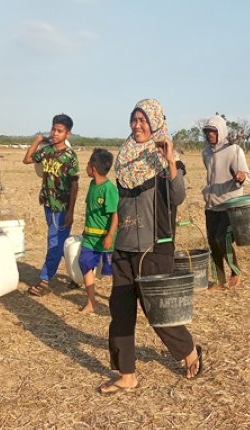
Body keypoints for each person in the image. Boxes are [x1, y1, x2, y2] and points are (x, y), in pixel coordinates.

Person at [100, 98, 204, 395]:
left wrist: (170, 162)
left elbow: (178, 196)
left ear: (155, 122)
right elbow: (119, 203)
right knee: (120, 310)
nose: (137, 126)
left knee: (157, 311)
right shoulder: (124, 159)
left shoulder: (166, 161)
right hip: (124, 246)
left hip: (154, 247)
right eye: (133, 120)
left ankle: (189, 352)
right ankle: (127, 373)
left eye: (143, 120)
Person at [22, 114, 79, 297]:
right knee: (60, 243)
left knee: (54, 243)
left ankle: (45, 280)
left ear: (68, 134)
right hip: (48, 203)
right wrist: (38, 139)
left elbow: (74, 185)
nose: (54, 133)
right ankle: (80, 274)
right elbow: (28, 159)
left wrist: (70, 211)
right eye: (53, 129)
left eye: (59, 131)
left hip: (61, 207)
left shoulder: (70, 156)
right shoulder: (47, 151)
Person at [201, 115, 250, 290]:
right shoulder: (206, 152)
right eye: (207, 132)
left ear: (221, 132)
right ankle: (218, 279)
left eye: (213, 131)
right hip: (211, 205)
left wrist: (241, 176)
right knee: (212, 242)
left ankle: (235, 271)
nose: (210, 135)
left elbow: (247, 177)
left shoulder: (234, 151)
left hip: (230, 205)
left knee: (221, 239)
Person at [78, 148, 118, 314]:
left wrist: (109, 236)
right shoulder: (92, 185)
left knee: (115, 271)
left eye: (88, 163)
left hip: (105, 239)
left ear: (93, 167)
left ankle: (119, 300)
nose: (86, 167)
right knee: (85, 264)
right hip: (90, 238)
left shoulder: (109, 189)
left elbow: (116, 214)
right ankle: (91, 302)